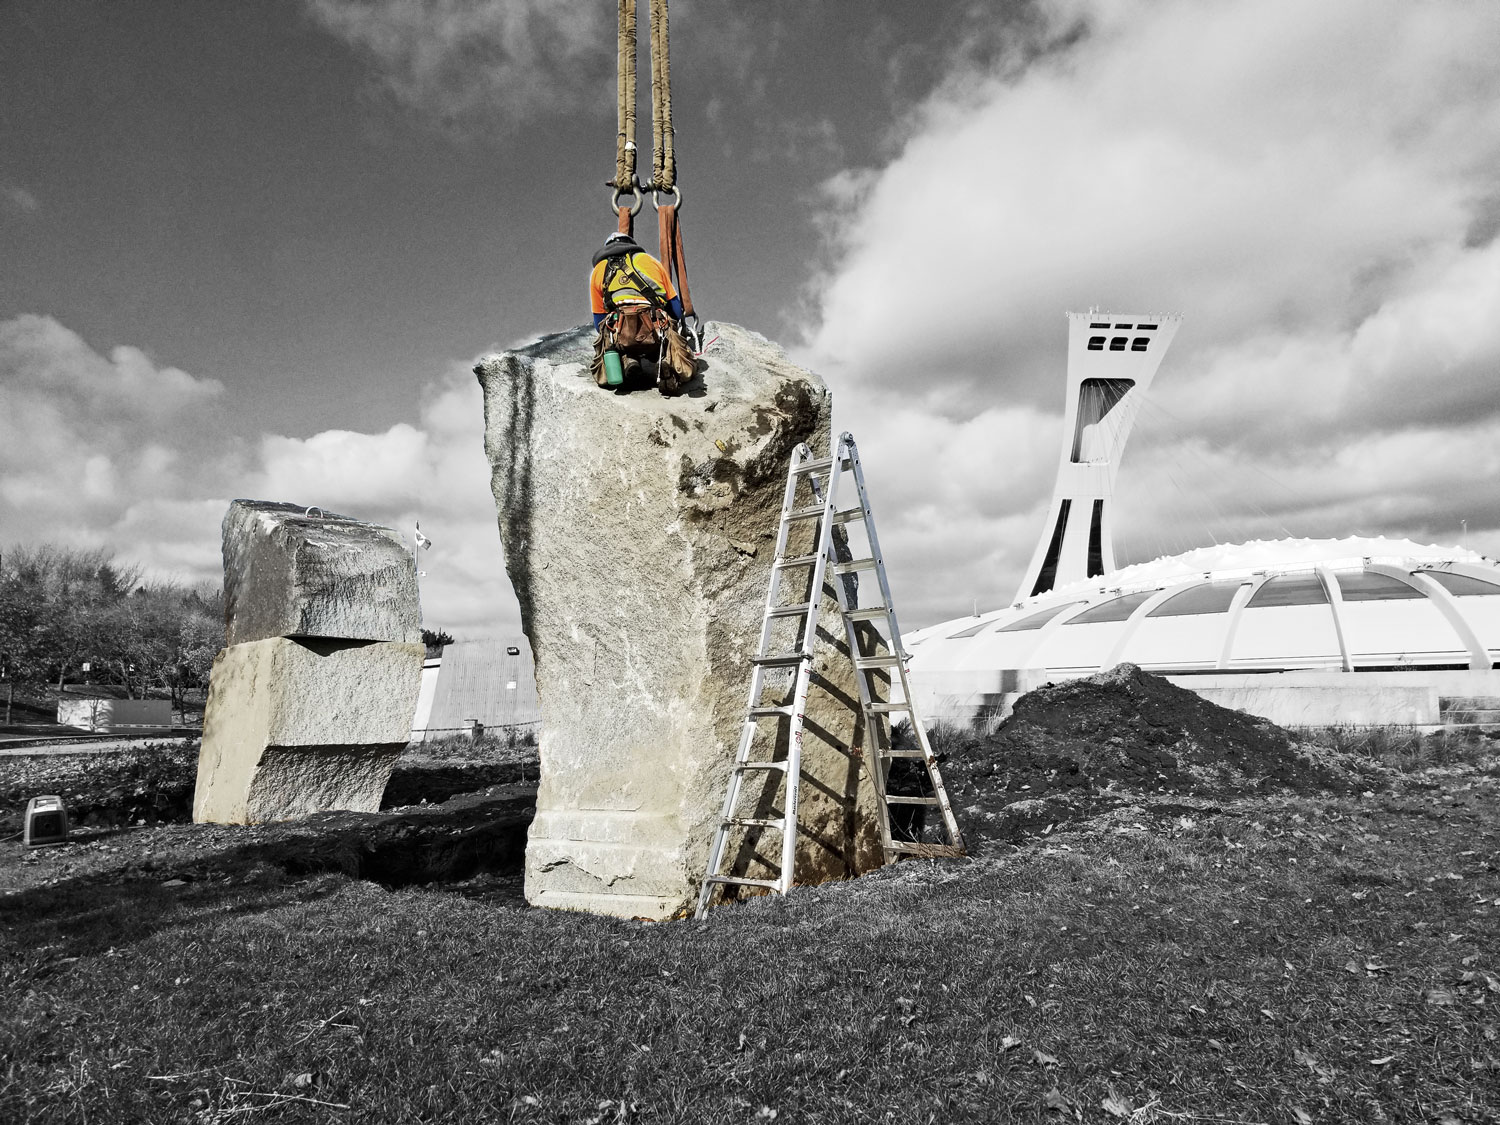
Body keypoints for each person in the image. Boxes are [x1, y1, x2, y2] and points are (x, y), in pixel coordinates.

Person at [589, 231, 696, 394]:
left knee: (609, 337)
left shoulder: (599, 270)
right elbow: (675, 307)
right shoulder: (650, 262)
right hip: (655, 325)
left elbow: (598, 321)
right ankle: (667, 362)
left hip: (619, 331)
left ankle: (628, 361)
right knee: (679, 351)